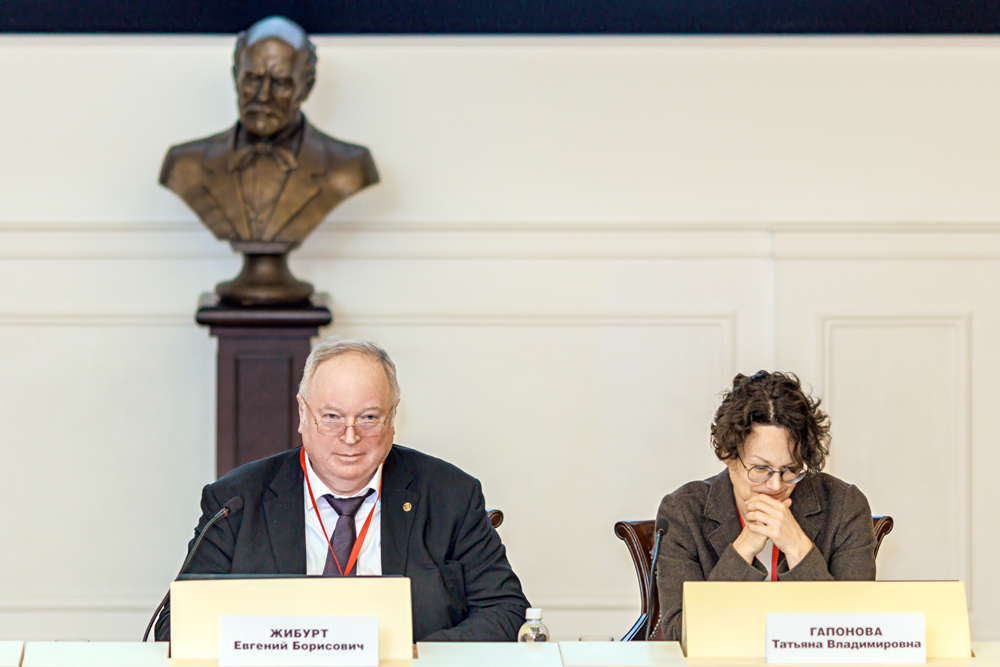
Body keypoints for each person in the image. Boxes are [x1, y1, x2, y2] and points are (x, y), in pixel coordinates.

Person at [154, 338, 529, 641]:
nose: (350, 437)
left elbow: (507, 610)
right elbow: (177, 624)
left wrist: (409, 656)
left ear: (392, 416)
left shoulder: (450, 495)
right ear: (303, 413)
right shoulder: (237, 500)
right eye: (332, 417)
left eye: (368, 418)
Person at [653, 371, 877, 641]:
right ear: (726, 453)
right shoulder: (683, 511)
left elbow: (855, 632)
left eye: (790, 469)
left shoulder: (844, 506)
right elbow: (680, 636)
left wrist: (797, 547)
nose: (775, 485)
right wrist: (744, 548)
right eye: (760, 469)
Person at [159, 16, 378, 245]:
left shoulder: (350, 167)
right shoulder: (184, 165)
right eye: (253, 79)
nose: (263, 96)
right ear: (235, 76)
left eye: (280, 83)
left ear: (307, 87)